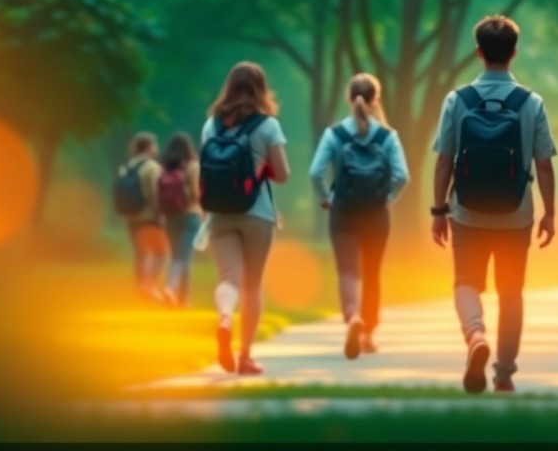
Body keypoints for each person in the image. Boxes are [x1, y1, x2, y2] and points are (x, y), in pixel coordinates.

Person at [430, 15, 557, 394]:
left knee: (466, 282)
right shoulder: (531, 102)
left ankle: (475, 335)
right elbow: (544, 164)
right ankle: (503, 374)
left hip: (466, 212)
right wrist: (550, 213)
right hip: (515, 213)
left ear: (479, 52)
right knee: (511, 292)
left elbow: (443, 161)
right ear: (514, 52)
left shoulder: (457, 99)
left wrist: (439, 210)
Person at [200, 61, 291, 376]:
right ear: (261, 88)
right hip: (257, 213)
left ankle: (224, 318)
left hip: (219, 212)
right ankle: (245, 357)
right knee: (252, 286)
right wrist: (260, 165)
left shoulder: (212, 125)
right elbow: (282, 175)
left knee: (229, 279)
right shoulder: (268, 126)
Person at [310, 73, 409, 360]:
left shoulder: (334, 135)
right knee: (372, 272)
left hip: (343, 211)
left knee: (348, 270)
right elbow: (403, 176)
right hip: (376, 214)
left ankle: (352, 316)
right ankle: (367, 335)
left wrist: (324, 198)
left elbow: (316, 172)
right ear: (376, 99)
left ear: (348, 98)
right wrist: (387, 197)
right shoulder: (387, 136)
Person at [118, 132, 168, 302]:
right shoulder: (152, 167)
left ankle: (139, 287)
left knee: (140, 254)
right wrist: (161, 214)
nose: (157, 148)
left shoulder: (126, 166)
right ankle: (148, 286)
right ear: (148, 147)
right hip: (149, 217)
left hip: (131, 217)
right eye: (155, 145)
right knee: (160, 252)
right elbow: (156, 193)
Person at [159, 132, 203, 307]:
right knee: (182, 257)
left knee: (180, 257)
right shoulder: (193, 165)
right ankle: (170, 288)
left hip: (170, 217)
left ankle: (183, 300)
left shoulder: (165, 168)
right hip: (190, 216)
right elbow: (195, 192)